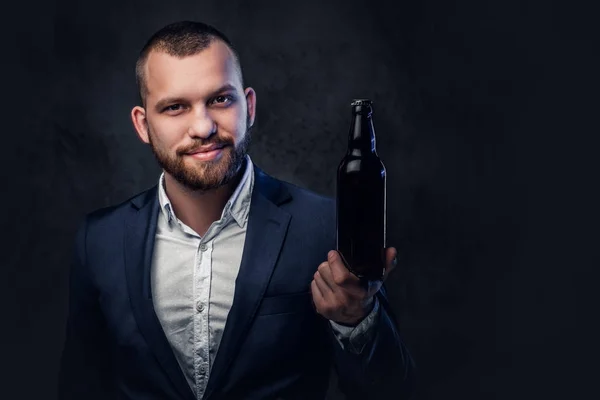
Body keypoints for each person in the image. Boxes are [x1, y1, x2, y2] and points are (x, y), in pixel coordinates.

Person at [57, 21, 415, 400]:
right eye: (175, 107)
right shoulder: (98, 240)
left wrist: (355, 321)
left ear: (250, 105)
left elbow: (394, 392)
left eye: (220, 100)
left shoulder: (325, 227)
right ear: (143, 125)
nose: (203, 126)